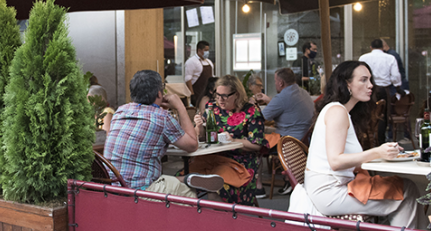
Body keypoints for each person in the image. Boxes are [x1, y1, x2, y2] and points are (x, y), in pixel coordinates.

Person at [303, 61, 427, 229]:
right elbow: (335, 161)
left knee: (407, 187)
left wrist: (380, 154)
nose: (371, 85)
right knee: (406, 191)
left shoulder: (340, 111)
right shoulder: (337, 112)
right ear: (347, 84)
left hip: (335, 186)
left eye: (370, 80)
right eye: (363, 80)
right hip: (330, 193)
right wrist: (378, 152)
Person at [104, 70, 224, 197]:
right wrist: (180, 107)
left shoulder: (120, 111)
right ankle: (187, 184)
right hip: (140, 191)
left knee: (159, 178)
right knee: (194, 194)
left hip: (113, 186)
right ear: (159, 93)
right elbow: (192, 145)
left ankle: (185, 179)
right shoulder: (162, 117)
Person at [192, 75, 268, 205]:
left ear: (237, 95)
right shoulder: (212, 108)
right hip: (213, 159)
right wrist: (198, 127)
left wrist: (233, 141)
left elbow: (257, 145)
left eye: (225, 96)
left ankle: (222, 223)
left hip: (240, 162)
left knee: (214, 188)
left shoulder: (251, 111)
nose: (220, 100)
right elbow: (201, 138)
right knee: (183, 180)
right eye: (217, 95)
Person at [359, 39, 402, 143]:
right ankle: (381, 140)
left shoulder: (363, 58)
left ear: (370, 47)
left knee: (367, 112)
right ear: (383, 47)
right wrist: (398, 88)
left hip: (368, 88)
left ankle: (367, 139)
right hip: (384, 89)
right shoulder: (390, 58)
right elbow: (395, 76)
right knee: (382, 115)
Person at [255, 68, 315, 139]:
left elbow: (259, 118)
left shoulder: (282, 97)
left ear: (281, 83)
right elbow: (287, 106)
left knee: (255, 135)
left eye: (275, 81)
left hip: (288, 143)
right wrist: (268, 100)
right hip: (305, 139)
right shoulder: (304, 92)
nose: (275, 84)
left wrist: (252, 105)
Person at [184, 40, 214, 106]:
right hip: (197, 94)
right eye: (205, 50)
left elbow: (212, 77)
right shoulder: (191, 62)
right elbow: (188, 79)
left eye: (208, 50)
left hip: (208, 94)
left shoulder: (209, 62)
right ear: (199, 50)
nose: (207, 52)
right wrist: (192, 95)